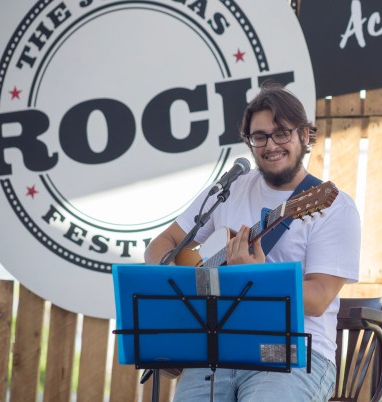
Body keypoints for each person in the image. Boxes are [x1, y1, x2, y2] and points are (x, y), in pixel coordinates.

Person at [144, 83, 361, 401]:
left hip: (290, 351)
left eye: (281, 133)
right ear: (249, 141)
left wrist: (256, 278)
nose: (271, 145)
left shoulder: (333, 206)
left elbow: (318, 299)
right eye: (259, 136)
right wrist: (184, 289)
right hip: (217, 349)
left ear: (304, 135)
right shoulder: (229, 191)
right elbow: (161, 244)